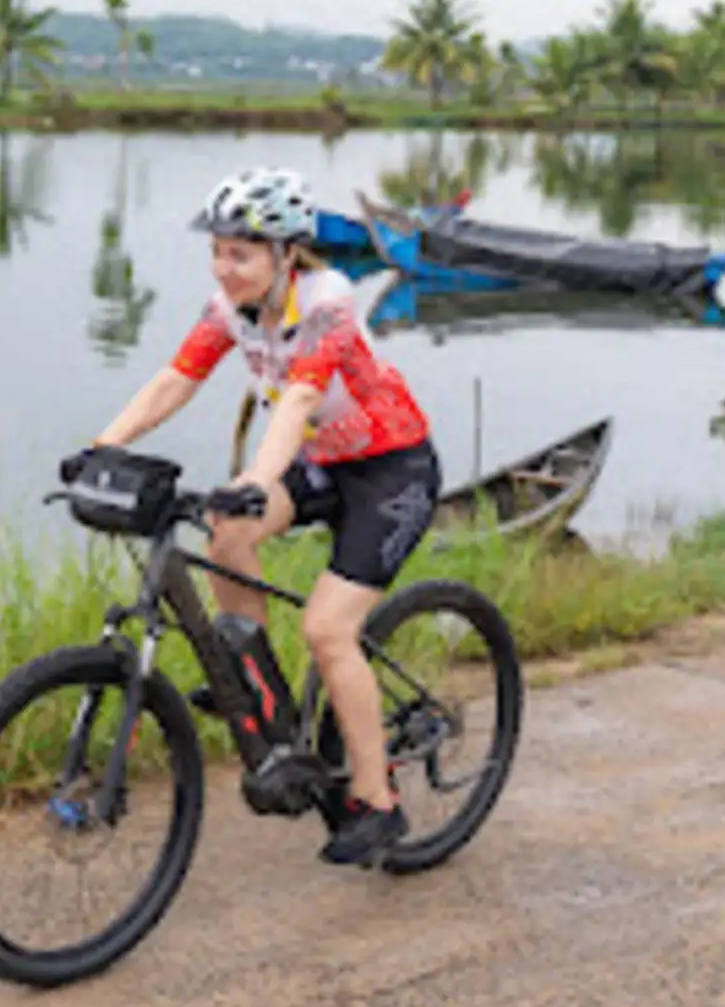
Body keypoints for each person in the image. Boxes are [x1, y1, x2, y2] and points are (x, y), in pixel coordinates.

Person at [65, 166, 443, 868]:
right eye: (217, 251)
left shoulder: (328, 302)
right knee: (229, 531)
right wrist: (101, 447)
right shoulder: (229, 308)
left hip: (391, 471)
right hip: (322, 460)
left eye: (240, 254)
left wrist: (255, 480)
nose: (223, 267)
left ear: (287, 253)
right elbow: (176, 379)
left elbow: (299, 399)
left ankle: (377, 800)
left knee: (328, 631)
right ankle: (257, 687)